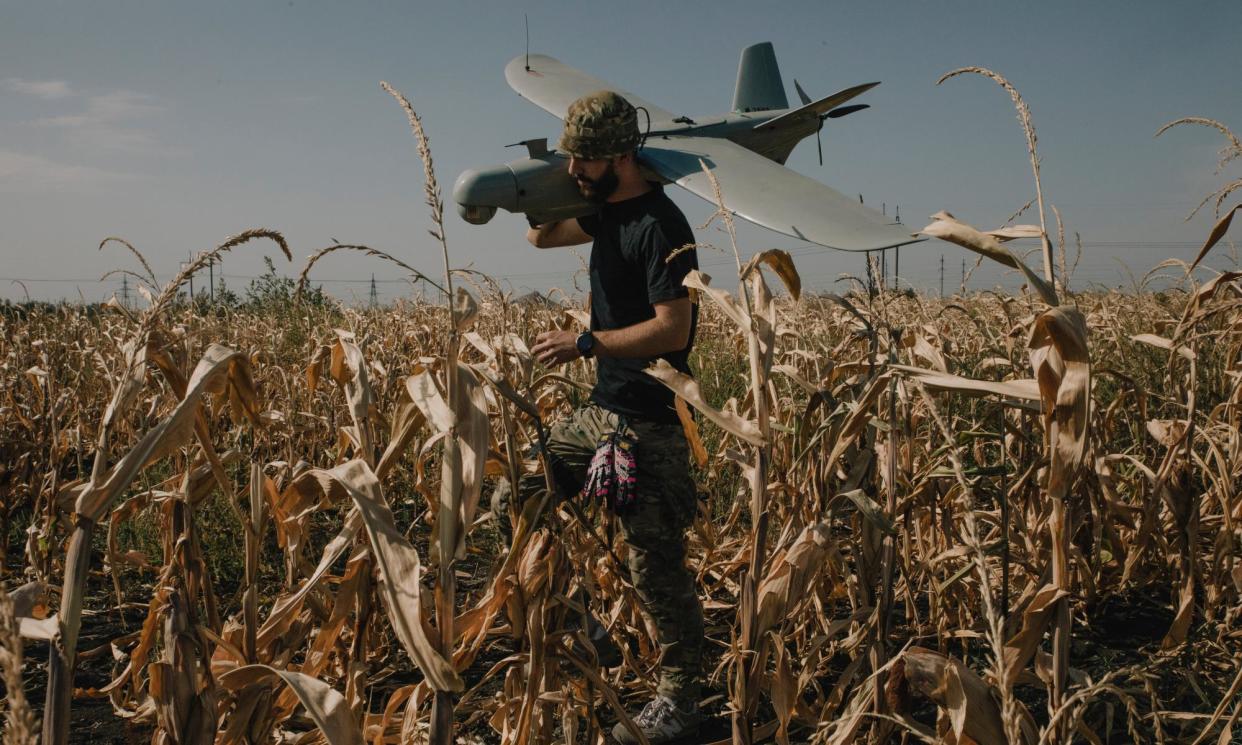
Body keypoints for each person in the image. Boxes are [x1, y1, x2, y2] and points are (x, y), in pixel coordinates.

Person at [509, 90, 704, 744]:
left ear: (622, 156)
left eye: (585, 160)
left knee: (656, 567)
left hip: (650, 422)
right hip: (601, 415)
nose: (574, 171)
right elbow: (542, 235)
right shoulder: (604, 213)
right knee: (522, 495)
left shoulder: (660, 225)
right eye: (571, 158)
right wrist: (532, 190)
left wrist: (586, 341)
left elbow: (672, 329)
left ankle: (682, 700)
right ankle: (583, 629)